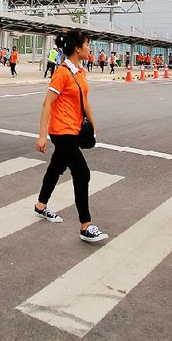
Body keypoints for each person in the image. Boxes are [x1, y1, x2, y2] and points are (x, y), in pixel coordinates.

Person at [35, 30, 108, 243]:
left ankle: (41, 205)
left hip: (75, 130)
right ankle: (85, 225)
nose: (89, 48)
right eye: (87, 44)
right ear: (77, 48)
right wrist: (42, 136)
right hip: (61, 131)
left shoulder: (80, 73)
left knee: (56, 168)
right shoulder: (62, 73)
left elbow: (85, 101)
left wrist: (93, 126)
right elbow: (47, 103)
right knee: (82, 173)